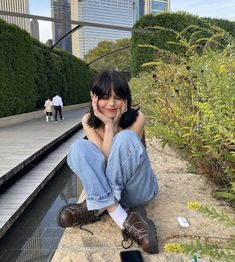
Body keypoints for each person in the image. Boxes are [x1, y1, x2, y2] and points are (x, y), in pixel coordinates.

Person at [57, 70, 159, 254]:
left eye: (118, 97)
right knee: (79, 148)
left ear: (126, 99)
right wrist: (108, 125)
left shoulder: (137, 117)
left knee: (125, 139)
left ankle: (97, 208)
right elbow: (103, 161)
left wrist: (113, 125)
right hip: (113, 189)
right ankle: (119, 215)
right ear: (94, 98)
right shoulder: (88, 120)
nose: (111, 103)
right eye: (105, 97)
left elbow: (116, 162)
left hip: (137, 189)